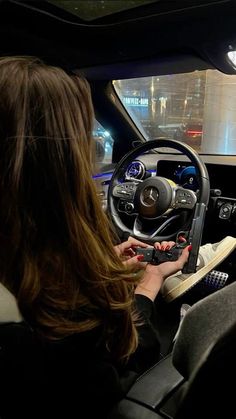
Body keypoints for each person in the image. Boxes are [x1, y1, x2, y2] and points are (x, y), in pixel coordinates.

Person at [0, 56, 190, 419]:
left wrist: (96, 268)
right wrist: (148, 286)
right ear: (60, 164)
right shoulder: (51, 325)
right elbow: (119, 368)